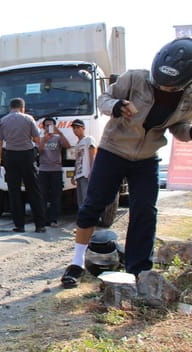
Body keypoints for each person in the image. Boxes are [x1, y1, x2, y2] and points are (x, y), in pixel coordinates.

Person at [61, 38, 192, 288]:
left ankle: (138, 270)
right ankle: (77, 263)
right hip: (113, 150)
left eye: (170, 88)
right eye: (159, 84)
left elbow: (179, 126)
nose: (163, 89)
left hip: (146, 158)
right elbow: (104, 100)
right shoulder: (134, 79)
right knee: (93, 205)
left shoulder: (188, 97)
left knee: (145, 210)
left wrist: (190, 132)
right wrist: (118, 106)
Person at [0, 97, 47, 233]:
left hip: (10, 156)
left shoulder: (2, 120)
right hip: (27, 156)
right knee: (34, 190)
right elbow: (37, 139)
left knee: (14, 192)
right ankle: (40, 225)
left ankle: (19, 225)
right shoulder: (29, 119)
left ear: (10, 108)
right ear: (22, 107)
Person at [38, 117, 71, 227]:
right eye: (47, 125)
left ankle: (53, 219)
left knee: (56, 196)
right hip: (43, 170)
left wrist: (60, 132)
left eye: (51, 125)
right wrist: (44, 139)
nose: (49, 127)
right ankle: (42, 220)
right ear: (43, 127)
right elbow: (39, 150)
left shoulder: (58, 138)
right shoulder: (40, 137)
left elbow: (67, 146)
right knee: (42, 195)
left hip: (56, 170)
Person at [70, 119, 97, 208]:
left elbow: (92, 155)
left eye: (78, 127)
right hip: (79, 175)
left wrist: (92, 172)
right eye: (74, 128)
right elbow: (77, 161)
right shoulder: (77, 144)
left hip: (86, 174)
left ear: (83, 128)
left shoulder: (89, 139)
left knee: (87, 199)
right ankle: (83, 220)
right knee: (80, 201)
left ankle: (90, 220)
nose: (75, 129)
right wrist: (73, 175)